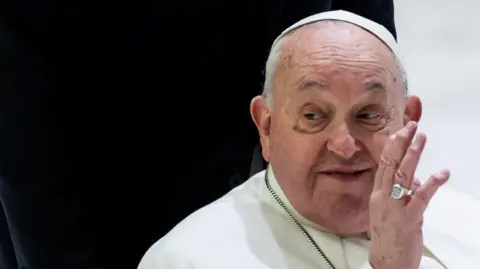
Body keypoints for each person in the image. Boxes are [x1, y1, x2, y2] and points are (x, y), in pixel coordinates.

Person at [0, 1, 397, 268]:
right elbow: (27, 131)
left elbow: (367, 36)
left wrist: (378, 153)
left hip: (308, 190)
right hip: (117, 205)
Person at [138, 11, 480, 269]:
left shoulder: (469, 222)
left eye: (368, 115)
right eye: (314, 116)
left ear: (408, 120)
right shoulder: (188, 259)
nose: (345, 145)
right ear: (266, 127)